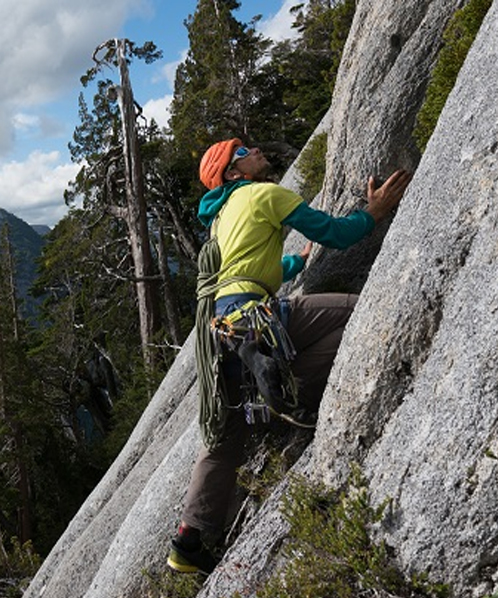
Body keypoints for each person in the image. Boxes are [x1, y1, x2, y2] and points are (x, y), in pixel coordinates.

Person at [166, 138, 412, 574]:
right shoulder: (266, 194)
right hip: (258, 318)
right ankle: (288, 386)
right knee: (361, 311)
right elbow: (335, 234)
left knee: (223, 444)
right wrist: (374, 210)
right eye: (242, 152)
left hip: (224, 330)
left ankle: (187, 542)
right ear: (233, 173)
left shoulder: (222, 218)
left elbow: (245, 268)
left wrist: (294, 267)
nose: (254, 149)